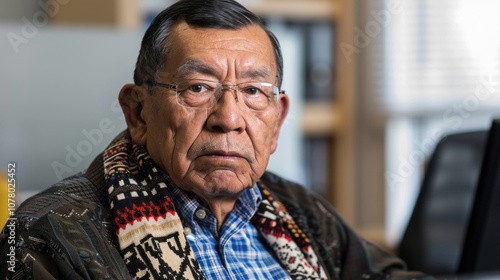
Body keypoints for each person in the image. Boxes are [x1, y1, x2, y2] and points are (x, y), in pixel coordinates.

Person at [0, 0, 432, 279]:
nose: (229, 120)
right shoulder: (47, 233)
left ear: (277, 122)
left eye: (253, 92)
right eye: (198, 88)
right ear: (137, 112)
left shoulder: (299, 211)